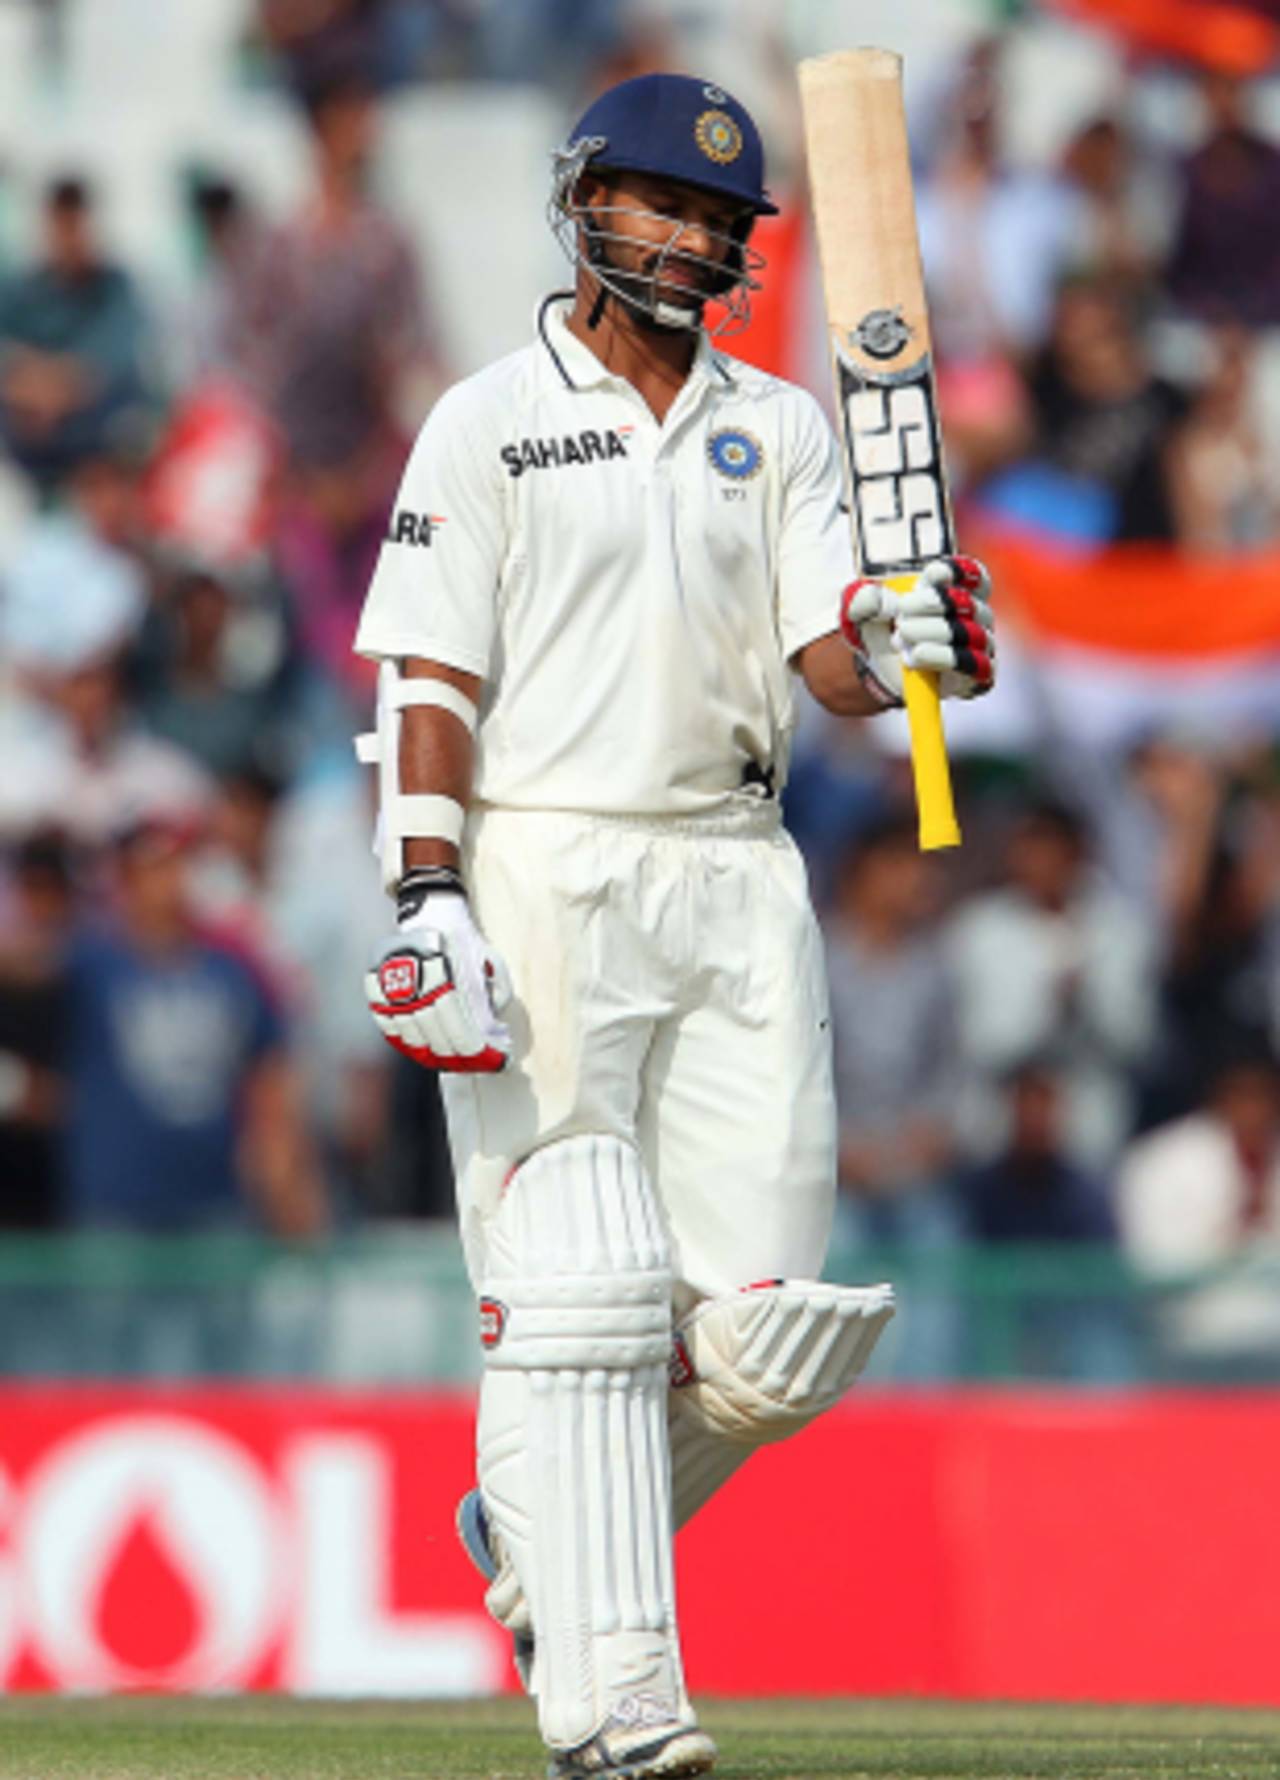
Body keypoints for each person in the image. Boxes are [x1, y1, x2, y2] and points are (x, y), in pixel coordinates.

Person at [353, 72, 996, 1780]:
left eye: (719, 218)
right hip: (545, 863)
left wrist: (912, 644)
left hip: (737, 870)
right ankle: (618, 1704)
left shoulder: (778, 425)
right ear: (586, 206)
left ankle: (536, 1522)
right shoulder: (486, 419)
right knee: (581, 1295)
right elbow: (431, 667)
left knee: (775, 1332)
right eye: (662, 203)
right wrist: (424, 887)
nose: (694, 235)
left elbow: (830, 665)